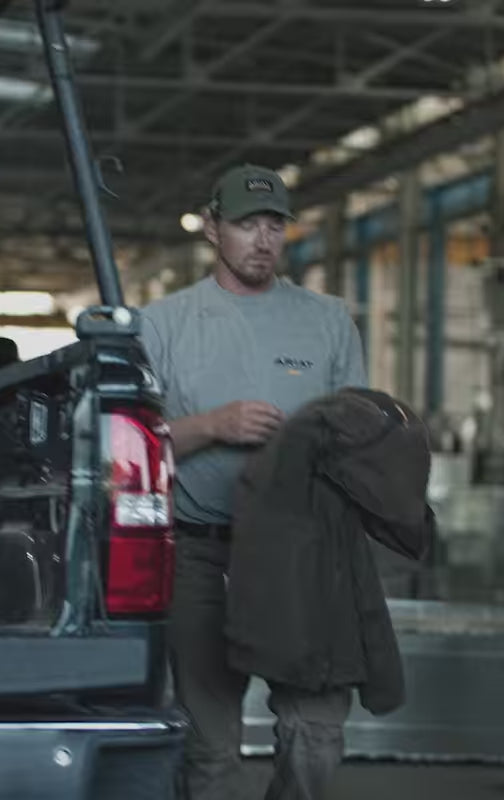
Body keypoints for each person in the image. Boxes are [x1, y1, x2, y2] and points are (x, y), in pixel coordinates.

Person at [139, 163, 367, 800]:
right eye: (246, 224)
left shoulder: (328, 321)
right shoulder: (163, 324)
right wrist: (213, 425)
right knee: (210, 752)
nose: (263, 240)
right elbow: (131, 447)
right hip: (201, 553)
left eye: (274, 225)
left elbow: (359, 437)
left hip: (301, 555)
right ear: (213, 228)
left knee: (316, 737)